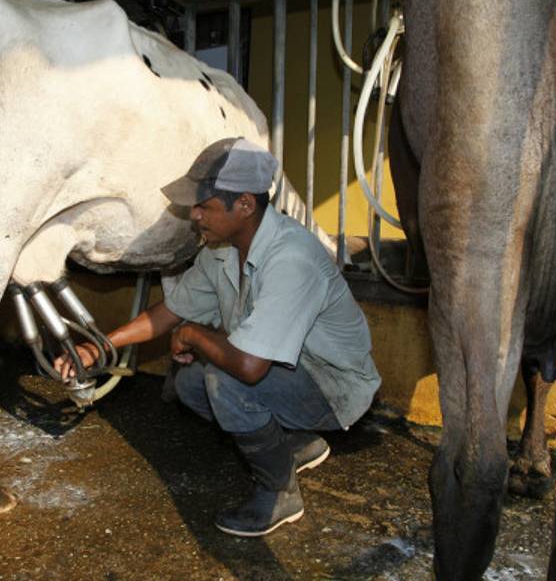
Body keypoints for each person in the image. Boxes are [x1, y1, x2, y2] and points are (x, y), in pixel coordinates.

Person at [55, 137, 381, 536]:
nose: (194, 215)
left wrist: (192, 334)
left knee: (224, 380)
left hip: (334, 388)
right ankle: (296, 444)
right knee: (190, 383)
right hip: (289, 373)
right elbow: (168, 313)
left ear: (244, 204)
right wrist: (99, 347)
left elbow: (248, 365)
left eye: (204, 206)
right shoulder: (222, 249)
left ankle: (279, 492)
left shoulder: (290, 259)